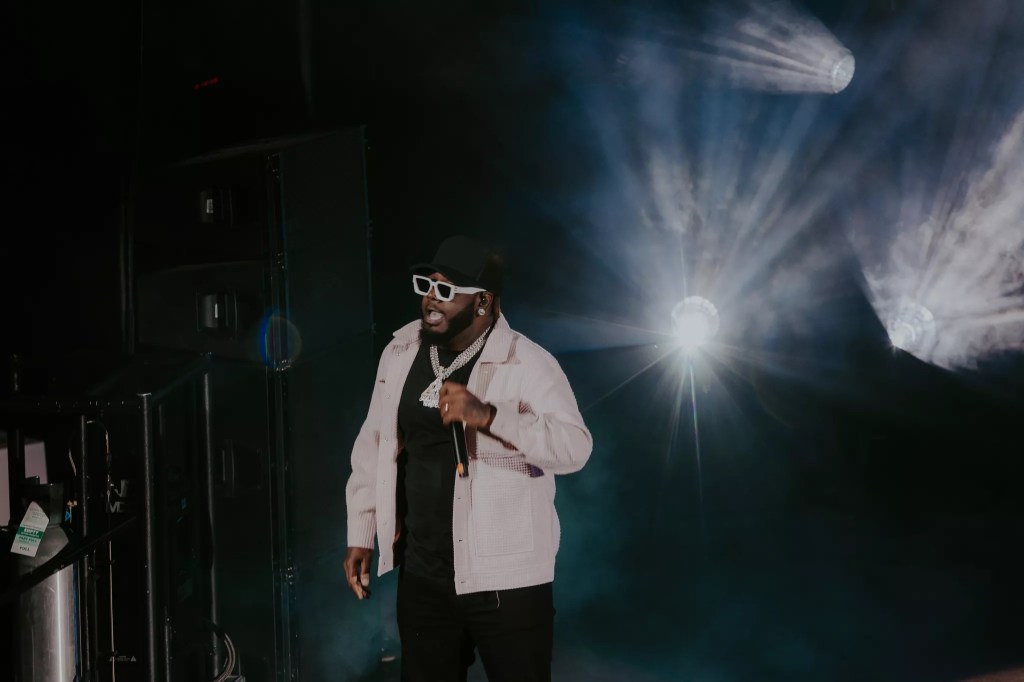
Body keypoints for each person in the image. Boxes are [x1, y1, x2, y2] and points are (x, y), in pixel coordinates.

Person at [343, 235, 592, 682]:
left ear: (482, 302)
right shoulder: (400, 352)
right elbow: (374, 441)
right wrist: (361, 531)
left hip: (506, 580)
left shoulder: (527, 362)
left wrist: (490, 416)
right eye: (426, 286)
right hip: (423, 576)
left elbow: (575, 447)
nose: (430, 300)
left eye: (445, 290)